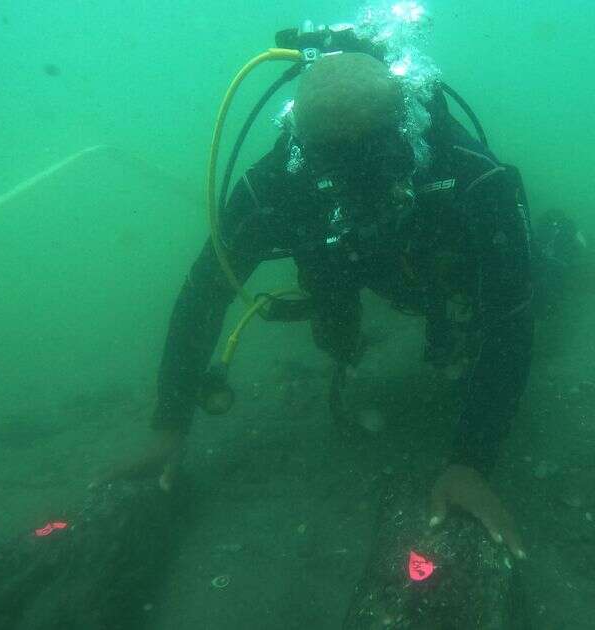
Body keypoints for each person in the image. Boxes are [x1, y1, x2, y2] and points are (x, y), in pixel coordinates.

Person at [104, 52, 532, 559]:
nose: (359, 179)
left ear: (408, 127)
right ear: (303, 146)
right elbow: (204, 294)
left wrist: (470, 461)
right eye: (337, 160)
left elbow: (512, 315)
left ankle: (565, 244)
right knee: (334, 333)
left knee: (532, 290)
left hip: (444, 262)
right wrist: (168, 424)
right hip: (348, 264)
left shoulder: (470, 175)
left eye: (372, 155)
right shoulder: (277, 185)